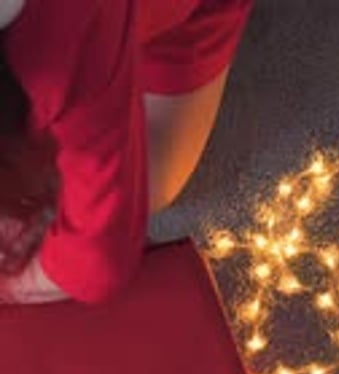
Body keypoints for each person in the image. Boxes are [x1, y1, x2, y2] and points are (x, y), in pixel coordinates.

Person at [0, 0, 254, 306]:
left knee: (145, 186)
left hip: (153, 24)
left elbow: (99, 259)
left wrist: (18, 285)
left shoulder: (59, 32)